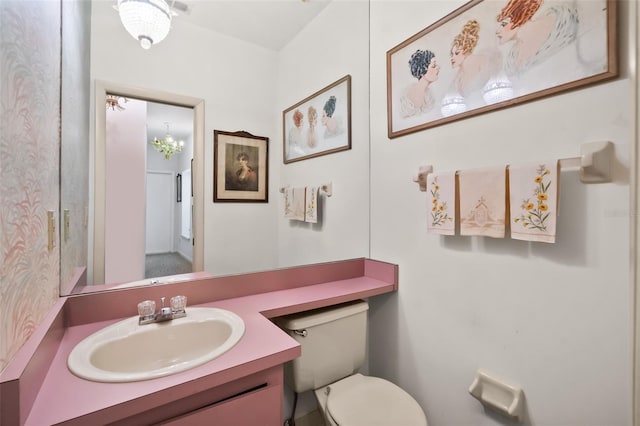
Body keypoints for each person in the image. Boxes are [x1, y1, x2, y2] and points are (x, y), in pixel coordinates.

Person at [496, 0, 578, 76]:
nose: (497, 31)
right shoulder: (511, 59)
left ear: (521, 17)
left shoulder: (560, 20)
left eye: (503, 24)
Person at [400, 49, 440, 118]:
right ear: (422, 70)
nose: (438, 67)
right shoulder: (413, 94)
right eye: (433, 66)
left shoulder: (429, 94)